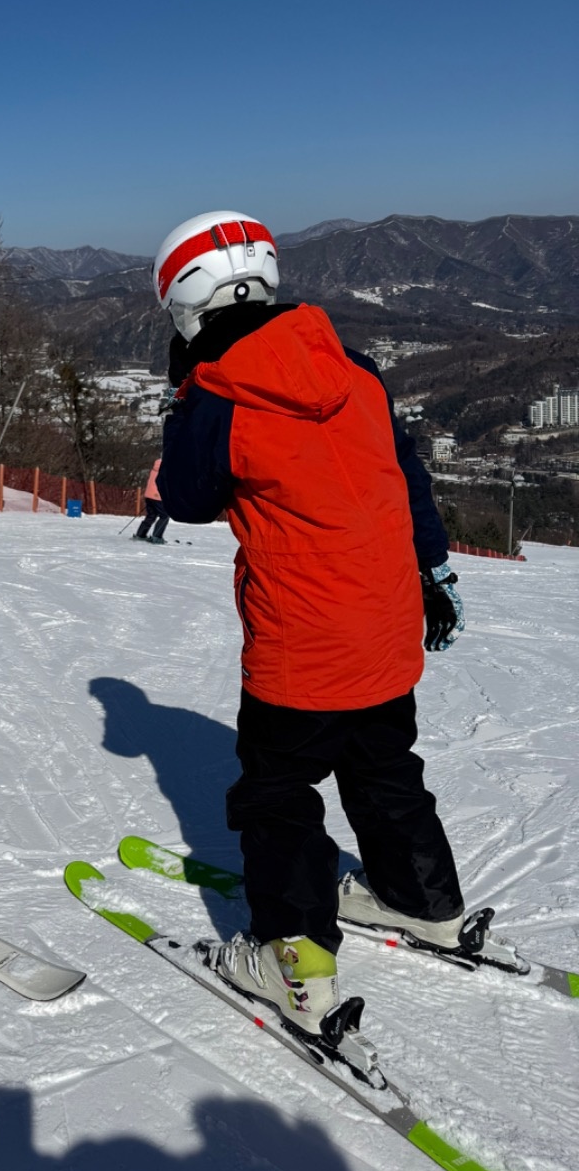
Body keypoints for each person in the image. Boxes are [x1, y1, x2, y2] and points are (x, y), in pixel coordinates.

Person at [151, 210, 473, 1056]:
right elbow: (406, 476)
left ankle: (293, 960)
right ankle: (422, 899)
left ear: (185, 302)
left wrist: (184, 397)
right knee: (384, 766)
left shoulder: (219, 394)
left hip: (302, 639)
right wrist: (433, 569)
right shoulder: (354, 368)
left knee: (276, 796)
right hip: (387, 618)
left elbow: (185, 496)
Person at [134, 458, 169, 542]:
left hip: (148, 495)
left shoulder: (154, 469)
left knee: (151, 516)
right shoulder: (166, 471)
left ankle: (140, 534)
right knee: (164, 516)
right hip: (158, 497)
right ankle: (157, 536)